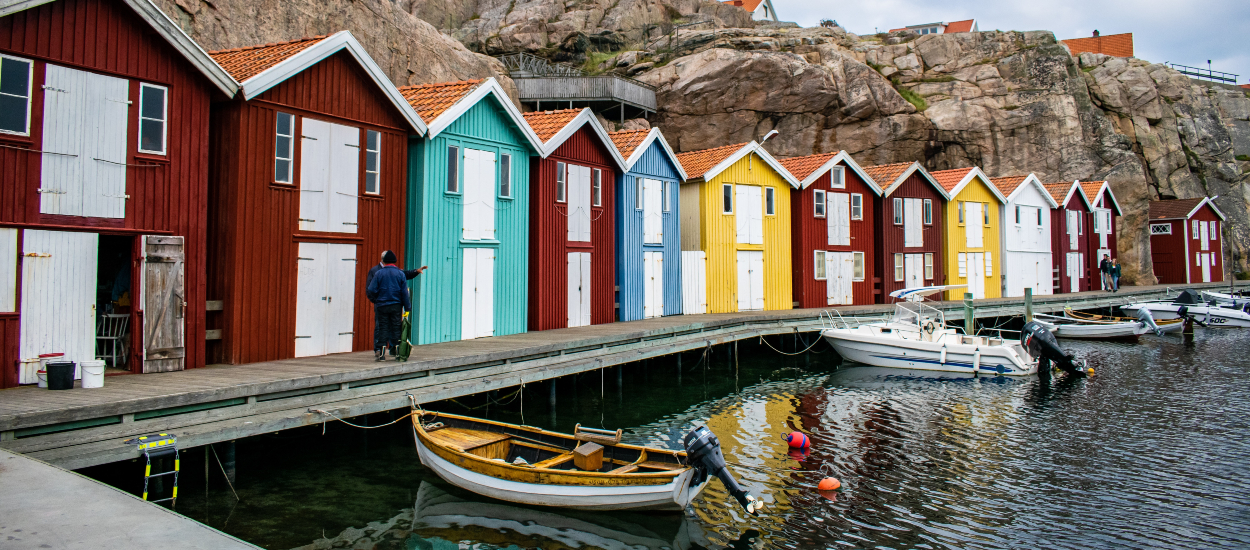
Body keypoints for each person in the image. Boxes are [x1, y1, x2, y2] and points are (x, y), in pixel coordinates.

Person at [366, 251, 427, 354]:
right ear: (394, 261)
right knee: (396, 327)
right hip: (396, 305)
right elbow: (404, 292)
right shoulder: (399, 273)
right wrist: (407, 308)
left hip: (382, 305)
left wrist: (378, 299)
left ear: (384, 261)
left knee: (382, 327)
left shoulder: (378, 273)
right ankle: (397, 350)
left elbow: (371, 289)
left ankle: (381, 352)